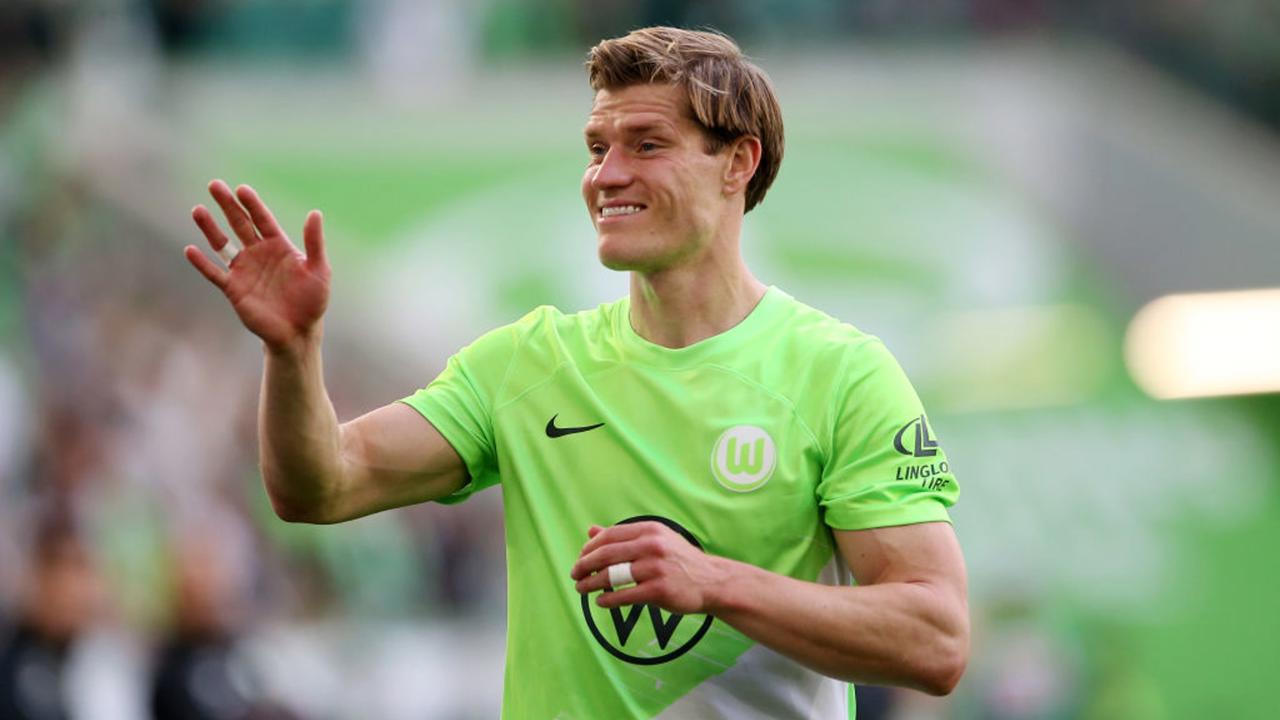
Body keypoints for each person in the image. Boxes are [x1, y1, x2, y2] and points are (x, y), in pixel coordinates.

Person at [184, 26, 969, 719]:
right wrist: (293, 353)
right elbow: (320, 487)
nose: (607, 175)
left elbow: (935, 639)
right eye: (598, 148)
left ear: (738, 163)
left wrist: (718, 584)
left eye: (646, 145)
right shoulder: (527, 363)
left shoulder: (841, 375)